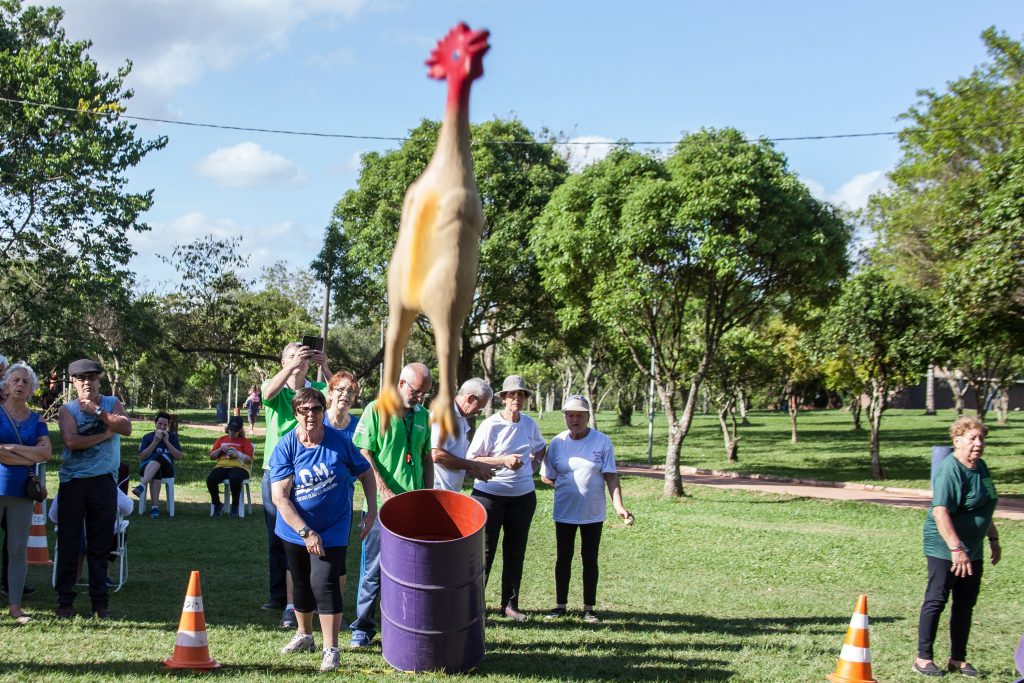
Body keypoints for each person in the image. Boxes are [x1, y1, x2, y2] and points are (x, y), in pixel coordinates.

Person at [271, 388, 377, 672]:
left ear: (323, 410)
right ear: (295, 414)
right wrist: (305, 532)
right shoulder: (286, 446)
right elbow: (279, 496)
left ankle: (331, 649)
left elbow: (365, 472)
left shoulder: (339, 442)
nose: (310, 415)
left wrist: (372, 509)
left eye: (316, 409)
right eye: (304, 410)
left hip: (333, 526)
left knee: (325, 583)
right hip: (295, 530)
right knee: (302, 582)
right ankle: (304, 635)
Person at [349, 362, 434, 648]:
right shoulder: (376, 410)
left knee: (410, 571)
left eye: (425, 393)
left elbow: (425, 457)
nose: (420, 398)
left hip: (413, 507)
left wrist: (428, 495)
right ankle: (362, 628)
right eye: (417, 391)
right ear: (401, 384)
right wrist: (382, 489)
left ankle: (403, 625)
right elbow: (364, 453)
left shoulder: (424, 415)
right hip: (380, 507)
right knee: (373, 570)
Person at [914, 416, 1001, 678]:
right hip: (945, 547)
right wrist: (955, 548)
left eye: (981, 438)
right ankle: (923, 658)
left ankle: (957, 659)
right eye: (972, 438)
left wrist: (993, 538)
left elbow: (985, 507)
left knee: (965, 603)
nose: (978, 443)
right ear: (957, 440)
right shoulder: (950, 470)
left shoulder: (981, 467)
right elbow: (941, 511)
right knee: (937, 599)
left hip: (972, 548)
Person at [540, 394, 631, 624]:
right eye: (570, 415)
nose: (575, 419)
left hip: (592, 512)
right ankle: (560, 605)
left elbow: (611, 475)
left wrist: (618, 505)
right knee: (563, 557)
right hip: (564, 511)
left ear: (588, 417)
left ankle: (589, 608)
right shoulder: (558, 442)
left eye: (580, 415)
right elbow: (547, 475)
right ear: (565, 417)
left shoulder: (602, 441)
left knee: (589, 558)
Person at [261, 341, 333, 628]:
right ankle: (278, 595)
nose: (300, 360)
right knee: (277, 537)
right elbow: (267, 393)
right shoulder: (276, 386)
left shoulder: (314, 389)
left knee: (303, 535)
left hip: (309, 471)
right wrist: (292, 366)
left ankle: (304, 596)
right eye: (293, 356)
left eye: (304, 356)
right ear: (283, 362)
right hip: (276, 471)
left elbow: (339, 394)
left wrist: (325, 367)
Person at [55, 358, 132, 619]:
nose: (87, 382)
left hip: (103, 482)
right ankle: (65, 601)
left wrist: (99, 413)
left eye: (92, 377)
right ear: (73, 383)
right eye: (81, 378)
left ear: (99, 380)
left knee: (100, 545)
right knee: (69, 543)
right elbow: (71, 442)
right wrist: (104, 434)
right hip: (73, 482)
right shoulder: (67, 410)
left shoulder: (111, 403)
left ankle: (100, 603)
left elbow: (126, 427)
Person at [466, 375, 547, 622]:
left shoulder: (530, 424)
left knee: (515, 552)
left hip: (522, 497)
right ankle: (476, 607)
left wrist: (537, 467)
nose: (516, 399)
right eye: (512, 394)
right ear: (503, 398)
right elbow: (473, 459)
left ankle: (510, 605)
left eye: (521, 394)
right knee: (484, 552)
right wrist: (503, 461)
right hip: (489, 496)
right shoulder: (491, 425)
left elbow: (540, 448)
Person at [0, 363, 52, 624]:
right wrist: (26, 456)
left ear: (31, 389)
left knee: (18, 550)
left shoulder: (36, 421)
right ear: (6, 385)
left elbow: (45, 454)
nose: (20, 384)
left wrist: (10, 448)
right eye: (15, 380)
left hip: (22, 492)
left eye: (25, 382)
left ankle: (16, 607)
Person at [431, 377, 495, 492]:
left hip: (450, 490)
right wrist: (473, 465)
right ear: (470, 398)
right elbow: (436, 455)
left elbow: (455, 454)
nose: (479, 412)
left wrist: (472, 470)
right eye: (480, 407)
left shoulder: (461, 417)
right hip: (437, 491)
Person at [132, 412, 182, 518]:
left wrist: (167, 442)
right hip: (147, 468)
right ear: (155, 424)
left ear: (168, 426)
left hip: (168, 468)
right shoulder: (147, 437)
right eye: (160, 424)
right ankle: (155, 508)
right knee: (157, 470)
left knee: (160, 457)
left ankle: (141, 485)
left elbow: (178, 457)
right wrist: (155, 442)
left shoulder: (172, 437)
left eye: (165, 425)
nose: (162, 427)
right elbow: (142, 457)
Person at [207, 416, 255, 518]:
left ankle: (235, 505)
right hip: (222, 466)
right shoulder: (221, 440)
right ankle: (217, 504)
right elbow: (212, 457)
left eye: (235, 431)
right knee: (211, 479)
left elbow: (249, 460)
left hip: (240, 468)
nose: (232, 432)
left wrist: (238, 454)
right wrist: (220, 449)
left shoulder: (245, 442)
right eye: (231, 430)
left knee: (235, 478)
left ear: (240, 430)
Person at [323, 371, 360, 440]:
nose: (345, 394)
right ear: (330, 393)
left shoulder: (359, 426)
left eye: (350, 391)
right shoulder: (317, 421)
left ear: (354, 397)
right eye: (340, 389)